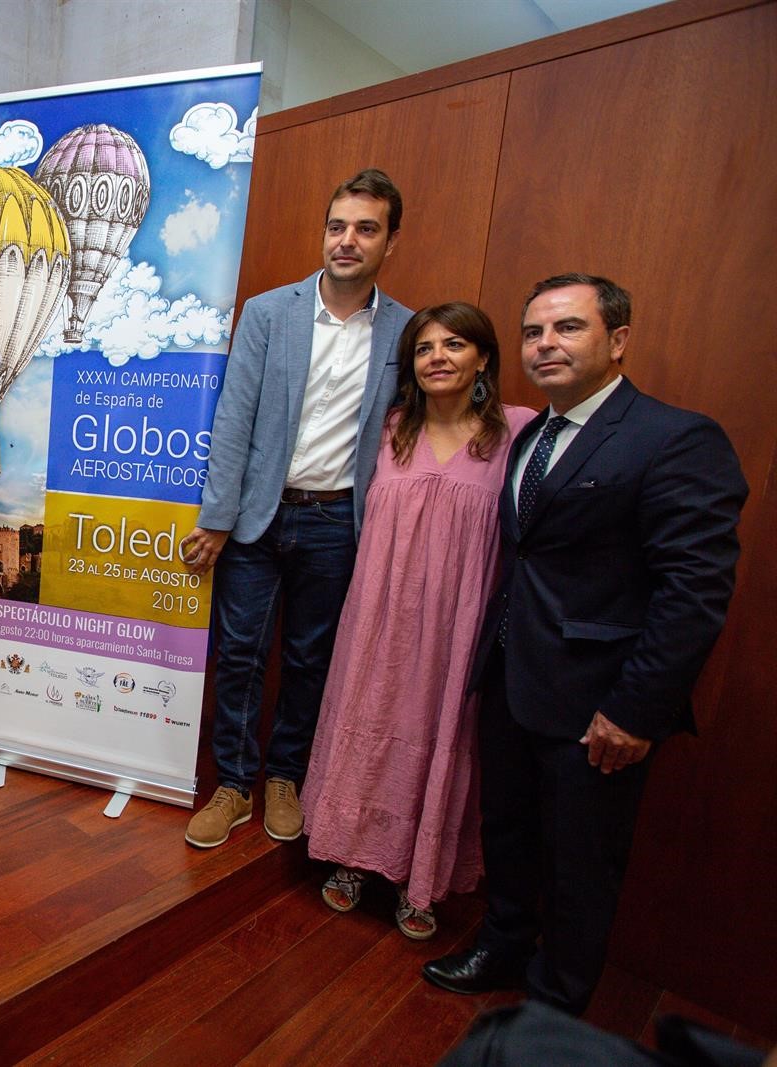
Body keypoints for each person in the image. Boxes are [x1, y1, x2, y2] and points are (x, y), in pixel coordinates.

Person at [422, 274, 747, 1014]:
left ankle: (553, 1004)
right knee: (505, 829)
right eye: (534, 332)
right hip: (509, 677)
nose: (546, 345)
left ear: (618, 340)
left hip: (599, 704)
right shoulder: (531, 434)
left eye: (567, 328)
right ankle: (501, 944)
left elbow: (693, 592)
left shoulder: (675, 438)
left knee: (580, 864)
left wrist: (635, 711)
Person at [180, 169, 413, 847]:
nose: (347, 240)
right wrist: (218, 519)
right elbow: (233, 420)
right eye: (337, 226)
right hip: (258, 519)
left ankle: (284, 777)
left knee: (311, 660)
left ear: (389, 241)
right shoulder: (267, 312)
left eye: (366, 229)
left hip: (339, 523)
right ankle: (232, 784)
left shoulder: (405, 330)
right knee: (245, 654)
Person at [299, 302, 536, 939]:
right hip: (378, 616)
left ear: (483, 357)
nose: (438, 357)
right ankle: (349, 856)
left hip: (457, 627)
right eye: (425, 347)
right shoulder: (390, 426)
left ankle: (418, 876)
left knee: (441, 735)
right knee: (367, 717)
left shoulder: (519, 432)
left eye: (454, 344)